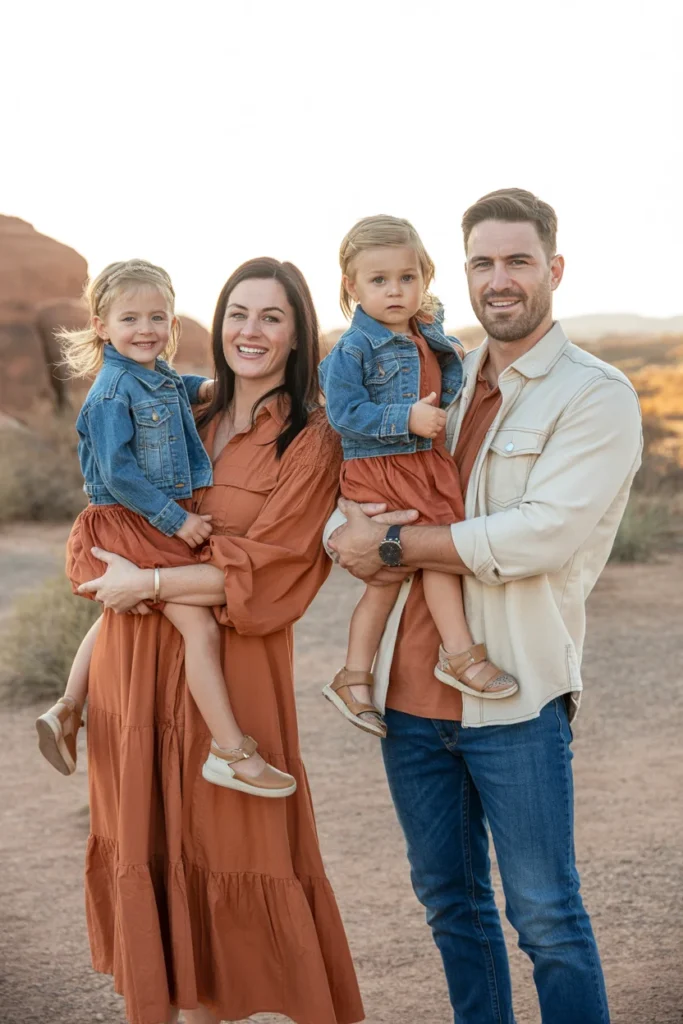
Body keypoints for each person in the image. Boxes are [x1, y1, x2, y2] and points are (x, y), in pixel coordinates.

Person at [327, 189, 642, 1024]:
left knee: (545, 919)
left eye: (516, 261)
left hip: (513, 693)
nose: (497, 280)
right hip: (408, 697)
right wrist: (345, 527)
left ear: (554, 269)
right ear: (459, 273)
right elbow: (369, 470)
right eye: (482, 262)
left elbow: (534, 537)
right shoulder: (444, 374)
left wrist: (386, 547)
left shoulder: (594, 395)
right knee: (450, 911)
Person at [66, 258, 364, 1024]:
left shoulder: (312, 438)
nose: (250, 331)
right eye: (237, 313)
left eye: (271, 317)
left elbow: (273, 570)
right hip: (134, 668)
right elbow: (110, 515)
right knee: (156, 862)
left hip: (232, 671)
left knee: (230, 858)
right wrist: (130, 585)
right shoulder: (180, 404)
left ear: (298, 333)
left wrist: (152, 585)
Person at [35, 259, 295, 797]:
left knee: (115, 612)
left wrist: (216, 390)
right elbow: (118, 472)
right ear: (102, 325)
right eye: (131, 319)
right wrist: (178, 522)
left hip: (136, 520)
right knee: (198, 628)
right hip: (135, 520)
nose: (147, 330)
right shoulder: (109, 393)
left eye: (159, 317)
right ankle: (231, 751)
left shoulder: (157, 374)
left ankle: (66, 707)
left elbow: (182, 387)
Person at [319, 215, 518, 739]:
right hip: (384, 467)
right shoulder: (353, 349)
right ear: (352, 286)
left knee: (405, 571)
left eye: (407, 278)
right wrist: (404, 418)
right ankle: (459, 654)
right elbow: (342, 413)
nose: (395, 291)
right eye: (378, 280)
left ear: (424, 279)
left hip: (421, 464)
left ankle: (354, 675)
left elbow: (447, 369)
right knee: (433, 555)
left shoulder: (423, 330)